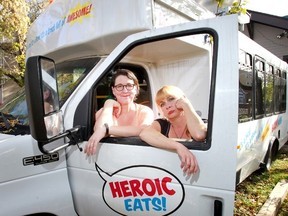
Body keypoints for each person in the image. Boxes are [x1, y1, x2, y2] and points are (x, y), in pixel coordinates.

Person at [84, 69, 154, 156]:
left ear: (136, 88)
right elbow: (98, 130)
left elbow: (144, 129)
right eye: (119, 86)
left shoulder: (144, 111)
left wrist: (107, 129)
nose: (125, 90)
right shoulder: (105, 110)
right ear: (113, 90)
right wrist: (108, 104)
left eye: (129, 85)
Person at [139, 85, 207, 175]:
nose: (167, 106)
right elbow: (145, 134)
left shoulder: (201, 123)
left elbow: (199, 135)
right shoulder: (162, 124)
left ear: (183, 98)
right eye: (162, 104)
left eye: (171, 99)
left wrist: (186, 105)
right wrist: (178, 147)